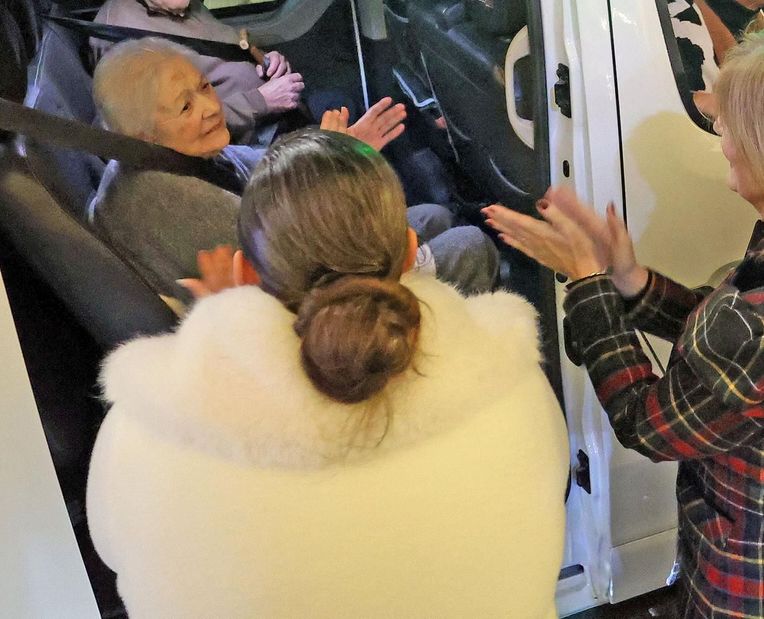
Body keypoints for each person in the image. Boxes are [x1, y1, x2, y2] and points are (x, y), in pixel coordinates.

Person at [485, 22, 764, 619]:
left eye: (734, 123)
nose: (720, 131)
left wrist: (587, 285)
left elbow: (649, 424)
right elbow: (741, 361)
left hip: (759, 586)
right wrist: (629, 280)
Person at [87, 129, 565, 619]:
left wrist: (225, 336)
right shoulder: (511, 382)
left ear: (248, 275)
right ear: (409, 250)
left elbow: (113, 549)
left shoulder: (149, 431)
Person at [88, 38, 499, 306]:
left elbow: (265, 168)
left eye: (205, 87)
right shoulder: (163, 199)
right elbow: (297, 270)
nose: (211, 108)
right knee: (472, 245)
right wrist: (339, 173)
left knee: (436, 216)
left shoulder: (178, 153)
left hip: (295, 253)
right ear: (143, 135)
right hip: (305, 316)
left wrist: (335, 151)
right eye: (184, 107)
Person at [95, 0, 302, 144]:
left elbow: (224, 43)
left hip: (276, 116)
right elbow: (167, 132)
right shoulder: (121, 37)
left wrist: (263, 60)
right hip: (246, 145)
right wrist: (260, 102)